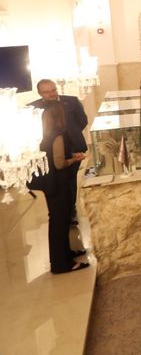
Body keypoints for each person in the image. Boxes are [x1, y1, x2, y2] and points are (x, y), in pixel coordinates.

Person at [38, 103, 88, 274]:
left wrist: (71, 156)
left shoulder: (46, 135)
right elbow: (59, 163)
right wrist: (74, 159)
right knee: (59, 223)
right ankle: (60, 263)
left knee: (60, 220)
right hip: (59, 184)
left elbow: (54, 157)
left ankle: (65, 254)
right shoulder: (57, 135)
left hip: (52, 183)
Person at [31, 79, 88, 220]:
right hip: (49, 153)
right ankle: (57, 212)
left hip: (73, 148)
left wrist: (70, 137)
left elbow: (82, 121)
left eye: (53, 90)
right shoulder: (33, 108)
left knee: (71, 180)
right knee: (52, 183)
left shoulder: (72, 101)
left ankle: (71, 210)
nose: (51, 94)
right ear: (39, 93)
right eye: (47, 92)